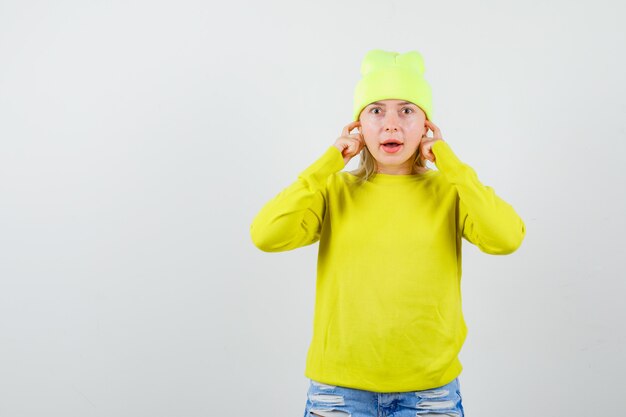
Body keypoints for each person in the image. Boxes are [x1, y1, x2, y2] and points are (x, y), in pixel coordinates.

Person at [250, 49, 526, 417]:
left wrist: (451, 164)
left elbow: (506, 237)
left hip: (429, 393)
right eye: (376, 110)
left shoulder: (449, 191)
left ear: (426, 126)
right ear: (358, 127)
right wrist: (330, 161)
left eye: (407, 110)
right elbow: (265, 234)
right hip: (339, 392)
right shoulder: (334, 190)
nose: (391, 124)